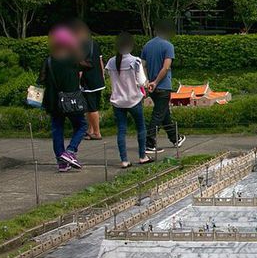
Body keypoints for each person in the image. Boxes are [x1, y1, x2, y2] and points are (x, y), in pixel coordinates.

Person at [38, 25, 88, 172]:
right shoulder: (73, 59)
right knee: (82, 125)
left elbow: (41, 79)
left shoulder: (48, 60)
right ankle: (70, 151)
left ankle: (61, 162)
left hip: (53, 101)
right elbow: (86, 67)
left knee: (57, 129)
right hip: (71, 100)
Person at [105, 32, 152, 168]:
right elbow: (142, 81)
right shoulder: (135, 61)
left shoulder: (111, 61)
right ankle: (142, 156)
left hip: (117, 101)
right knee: (140, 127)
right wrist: (148, 84)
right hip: (133, 99)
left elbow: (111, 77)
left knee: (121, 130)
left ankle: (124, 160)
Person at [141, 19, 185, 154]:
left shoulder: (147, 45)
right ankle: (149, 142)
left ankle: (175, 138)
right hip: (163, 86)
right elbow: (166, 67)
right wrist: (156, 81)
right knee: (158, 114)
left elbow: (143, 65)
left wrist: (147, 81)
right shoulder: (168, 46)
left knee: (164, 113)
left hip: (152, 87)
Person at [70, 19, 104, 140]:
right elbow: (100, 62)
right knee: (91, 107)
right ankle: (90, 130)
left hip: (88, 80)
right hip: (98, 80)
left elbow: (79, 66)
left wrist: (76, 81)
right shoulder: (95, 44)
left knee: (91, 107)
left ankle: (97, 132)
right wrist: (103, 76)